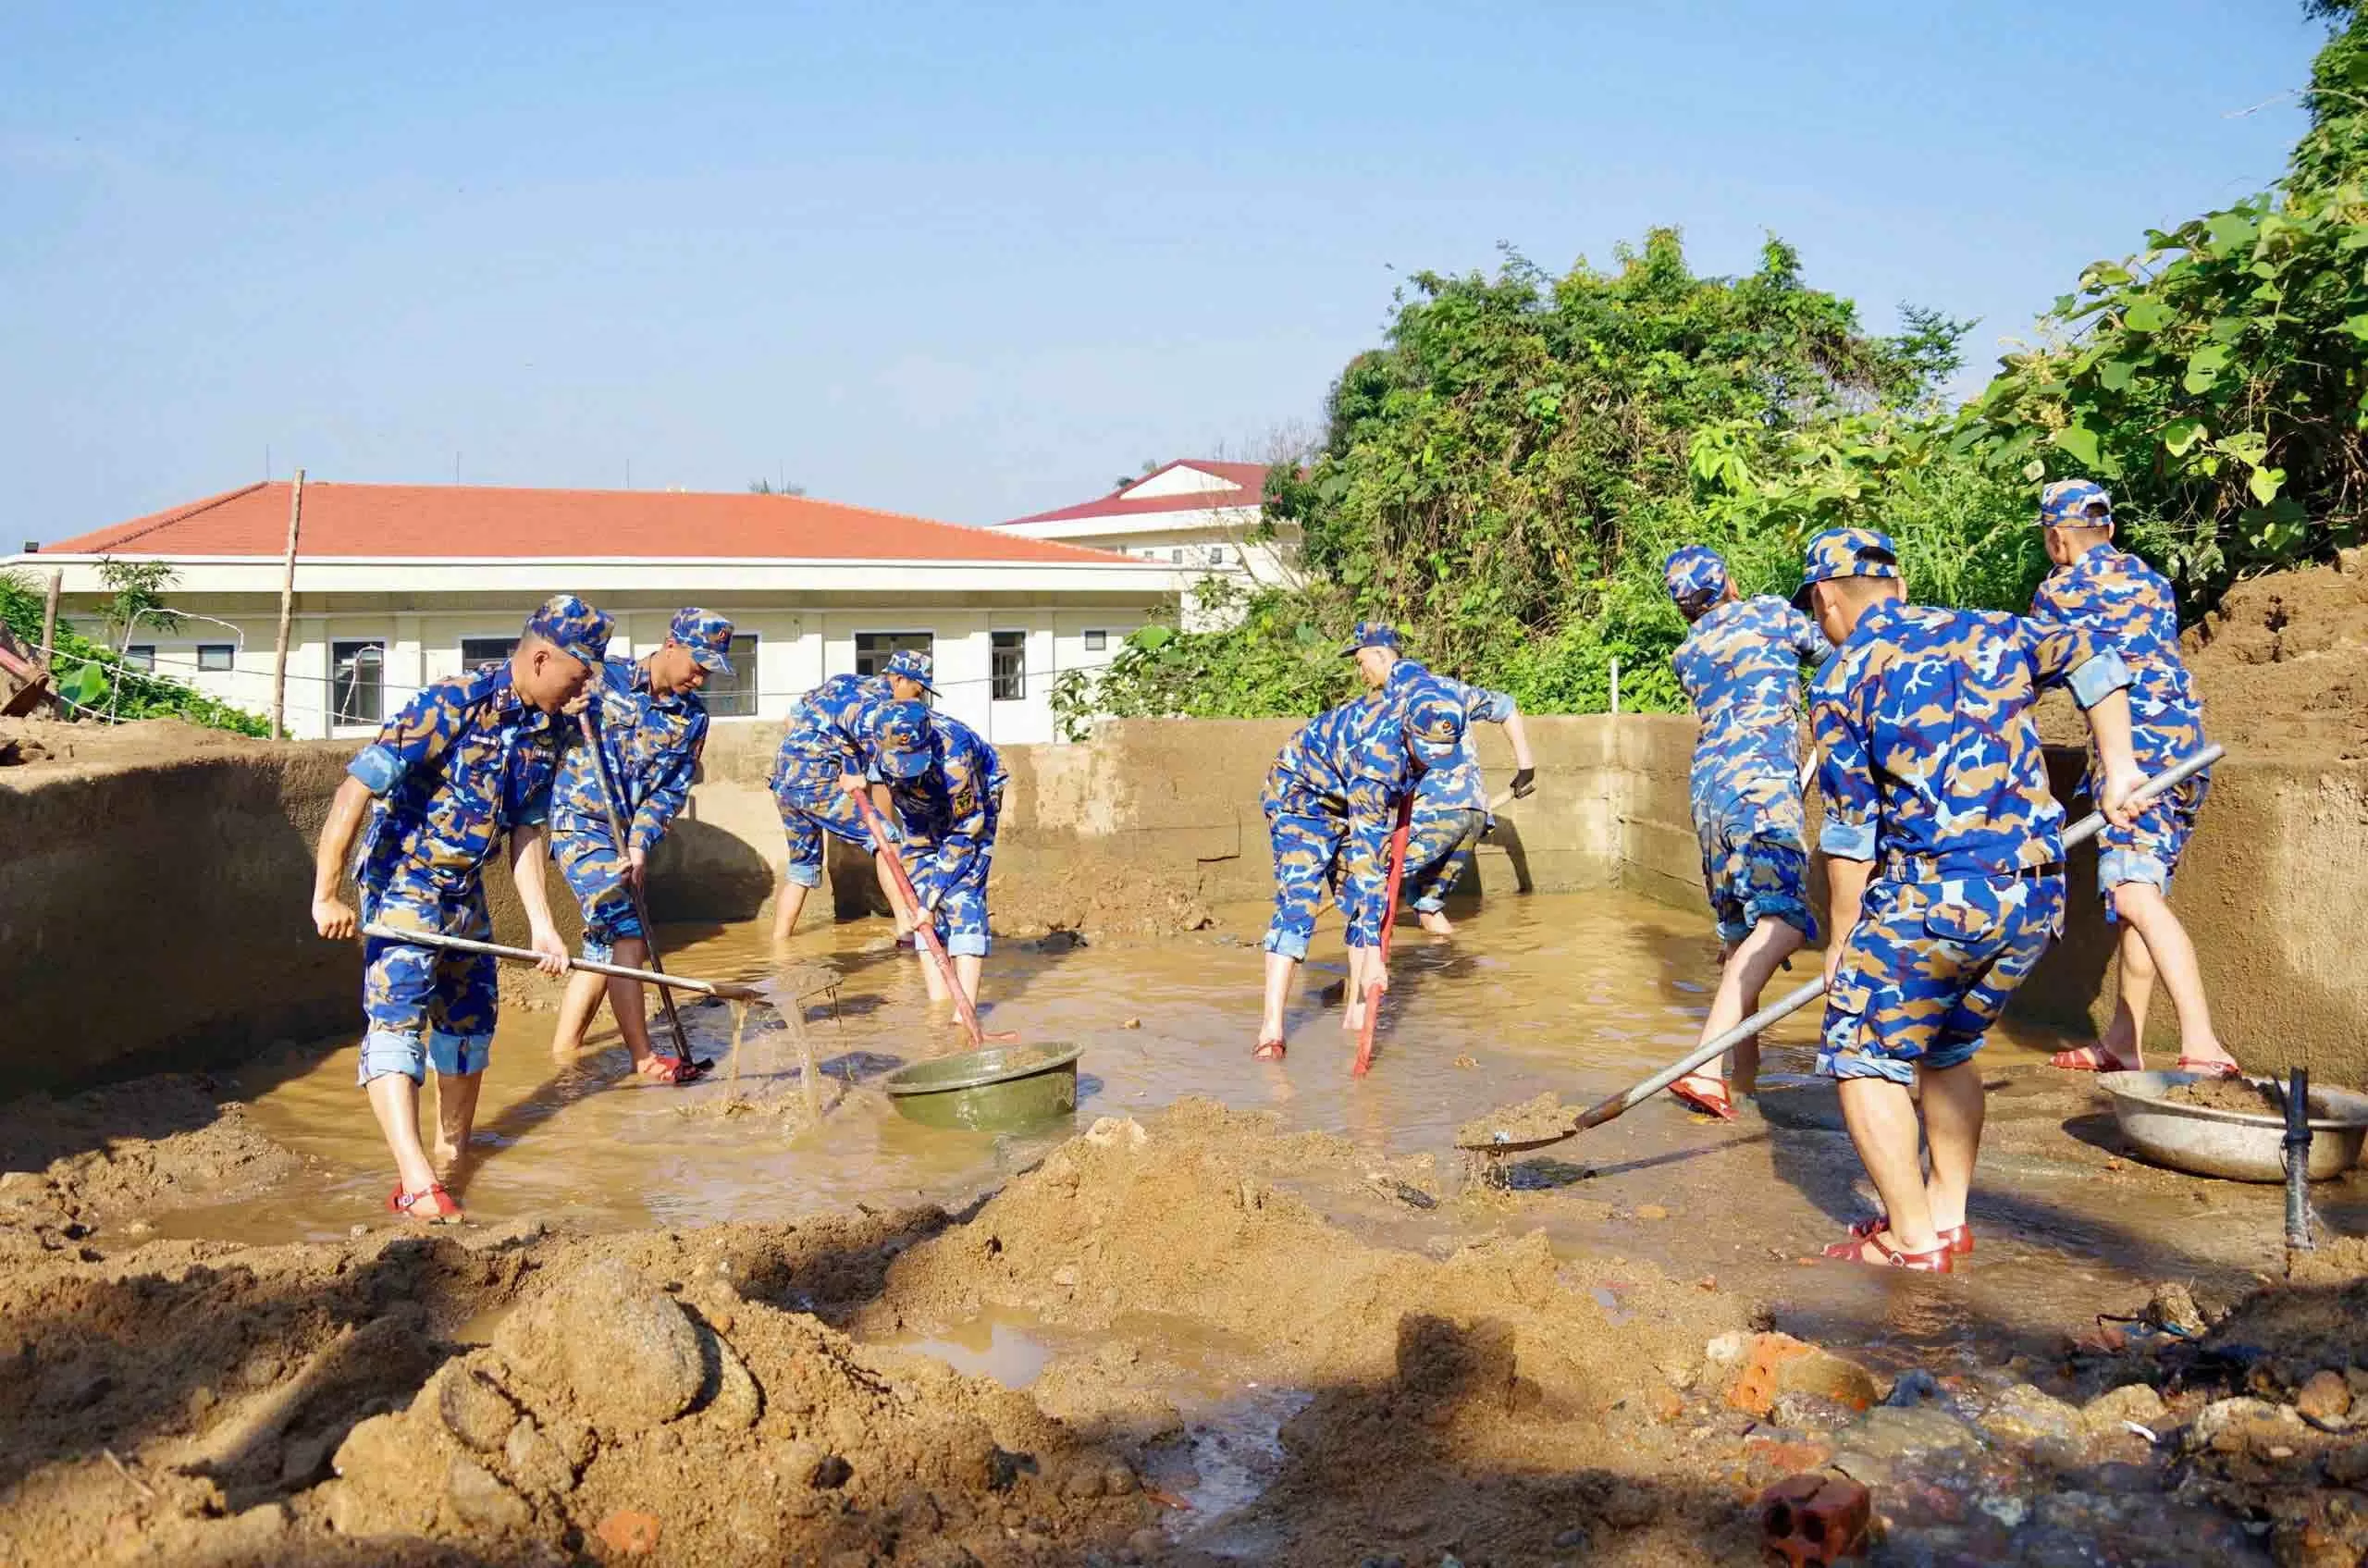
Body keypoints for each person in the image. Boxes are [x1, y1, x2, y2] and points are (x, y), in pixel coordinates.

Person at [1801, 526, 2141, 1272]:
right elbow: (2090, 652)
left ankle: (1912, 1239)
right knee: (1948, 1047)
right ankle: (1948, 1216)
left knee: (1862, 1051)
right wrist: (2118, 767)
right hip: (2032, 899)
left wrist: (1842, 943)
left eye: (1817, 609)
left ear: (1828, 598)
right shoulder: (1987, 627)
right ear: (1898, 584)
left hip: (1935, 898)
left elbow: (1853, 834)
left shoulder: (1841, 677)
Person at [309, 595, 610, 1224]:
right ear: (541, 656)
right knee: (397, 1021)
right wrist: (328, 891)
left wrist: (544, 925)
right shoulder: (452, 702)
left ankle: (451, 1159)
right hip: (404, 883)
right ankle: (416, 1182)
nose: (584, 690)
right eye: (578, 676)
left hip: (464, 892)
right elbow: (356, 785)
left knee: (471, 1024)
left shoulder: (546, 729)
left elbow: (525, 833)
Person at [2027, 481, 2238, 1079]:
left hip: (2134, 761)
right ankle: (2123, 1038)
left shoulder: (2058, 593)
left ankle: (2201, 1040)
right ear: (2111, 530)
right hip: (2187, 750)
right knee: (2140, 894)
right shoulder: (2151, 580)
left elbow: (2030, 682)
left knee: (2132, 894)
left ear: (2057, 538)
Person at [1660, 546, 1832, 1118]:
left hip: (1709, 795)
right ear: (1729, 580)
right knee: (1784, 923)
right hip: (1760, 788)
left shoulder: (1687, 653)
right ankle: (1706, 1067)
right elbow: (1836, 646)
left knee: (1740, 934)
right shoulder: (1771, 616)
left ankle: (1745, 1077)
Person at [548, 608, 734, 1081]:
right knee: (627, 931)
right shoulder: (600, 678)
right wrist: (564, 709)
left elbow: (670, 791)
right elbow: (541, 709)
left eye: (711, 669)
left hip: (624, 837)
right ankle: (643, 1058)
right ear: (671, 644)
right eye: (697, 663)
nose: (701, 676)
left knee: (602, 945)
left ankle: (563, 1055)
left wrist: (638, 845)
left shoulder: (693, 719)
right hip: (581, 824)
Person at [1254, 680, 1467, 1058]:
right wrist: (1375, 957)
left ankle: (1355, 1013)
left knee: (1356, 902)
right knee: (1298, 904)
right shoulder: (1378, 764)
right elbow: (1370, 867)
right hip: (1301, 797)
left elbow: (1499, 704)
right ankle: (1271, 1030)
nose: (1427, 764)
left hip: (1348, 797)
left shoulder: (1444, 704)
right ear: (1408, 734)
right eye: (1423, 754)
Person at [1344, 621, 1536, 936]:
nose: (1360, 672)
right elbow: (1507, 707)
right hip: (1473, 815)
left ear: (1380, 655)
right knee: (1427, 906)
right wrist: (1525, 768)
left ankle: (1364, 978)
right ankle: (1451, 966)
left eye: (1361, 662)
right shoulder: (1447, 688)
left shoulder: (1393, 699)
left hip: (1437, 813)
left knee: (1365, 882)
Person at [767, 650, 932, 944]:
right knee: (887, 838)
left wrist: (815, 752)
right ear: (897, 678)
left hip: (784, 778)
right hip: (815, 779)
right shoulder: (877, 708)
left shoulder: (842, 681)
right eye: (916, 692)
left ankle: (778, 947)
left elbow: (791, 719)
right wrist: (849, 769)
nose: (914, 701)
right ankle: (906, 929)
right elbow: (880, 755)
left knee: (802, 868)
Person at [874, 698, 1007, 1007]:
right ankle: (938, 1005)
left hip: (973, 806)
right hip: (919, 812)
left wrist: (933, 898)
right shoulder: (879, 734)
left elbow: (964, 832)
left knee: (962, 895)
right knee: (918, 902)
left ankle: (964, 1012)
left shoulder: (955, 756)